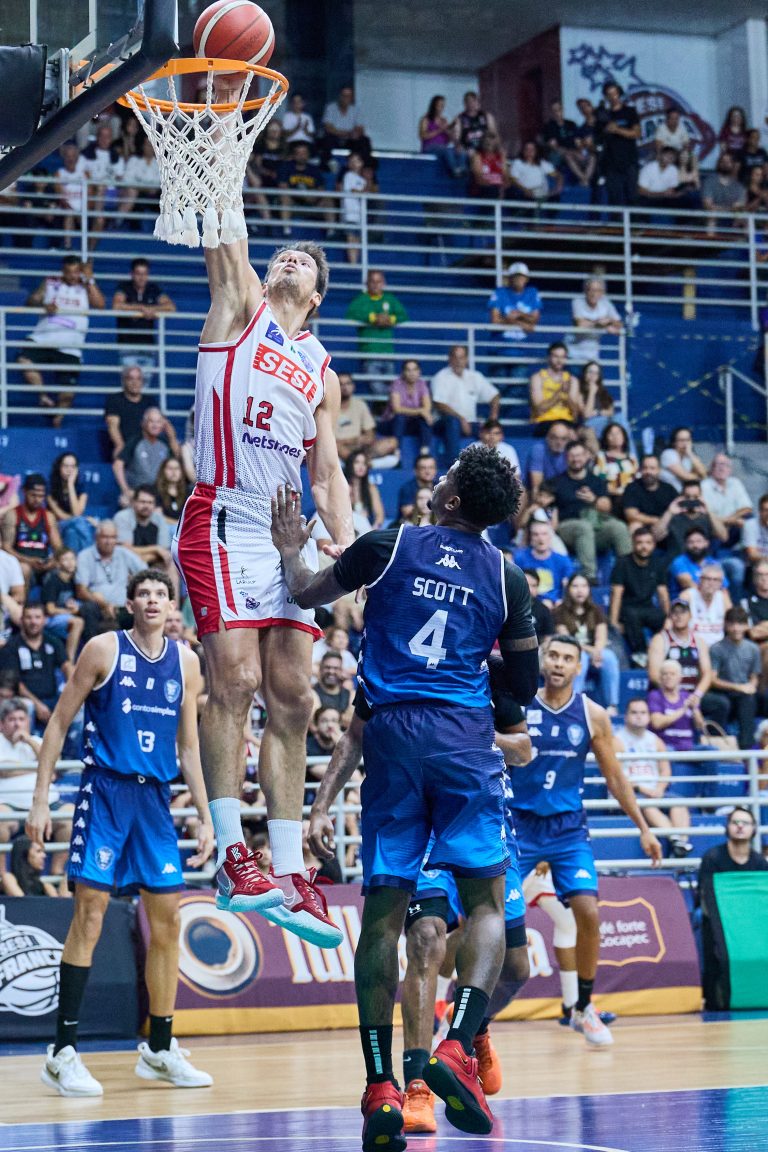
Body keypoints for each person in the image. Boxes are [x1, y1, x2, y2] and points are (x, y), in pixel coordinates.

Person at [269, 444, 539, 1146]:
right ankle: (457, 1045)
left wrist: (291, 549)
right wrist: (478, 669)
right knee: (485, 904)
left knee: (383, 916)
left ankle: (381, 1085)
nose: (437, 478)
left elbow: (306, 591)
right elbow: (525, 685)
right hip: (462, 738)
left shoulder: (387, 546)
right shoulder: (507, 577)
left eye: (445, 475)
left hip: (390, 733)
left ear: (451, 498)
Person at [172, 109, 355, 948]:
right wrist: (219, 136)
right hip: (224, 514)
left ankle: (286, 872)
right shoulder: (239, 305)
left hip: (291, 538)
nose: (289, 259)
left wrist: (342, 554)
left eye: (304, 262)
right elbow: (227, 231)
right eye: (285, 253)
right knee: (235, 680)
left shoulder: (322, 369)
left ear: (315, 297)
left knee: (295, 695)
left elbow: (329, 472)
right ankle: (231, 855)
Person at [305, 664, 533, 1133]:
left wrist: (472, 736)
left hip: (481, 809)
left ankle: (470, 1027)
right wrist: (321, 804)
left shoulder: (487, 674)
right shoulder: (395, 667)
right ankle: (417, 1087)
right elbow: (355, 734)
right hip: (419, 812)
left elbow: (525, 748)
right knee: (426, 940)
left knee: (515, 966)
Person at [26, 569, 214, 1096]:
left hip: (155, 800)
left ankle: (160, 1049)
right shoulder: (103, 649)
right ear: (130, 603)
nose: (153, 600)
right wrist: (41, 799)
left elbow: (189, 748)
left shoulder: (187, 662)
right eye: (144, 594)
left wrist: (206, 816)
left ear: (173, 607)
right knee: (89, 917)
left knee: (168, 922)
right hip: (105, 791)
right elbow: (57, 723)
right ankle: (62, 1053)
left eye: (162, 594)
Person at [510, 636, 661, 1046]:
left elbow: (615, 777)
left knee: (588, 913)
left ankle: (583, 1007)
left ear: (579, 667)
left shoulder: (592, 715)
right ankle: (462, 1010)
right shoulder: (519, 706)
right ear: (543, 661)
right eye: (553, 656)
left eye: (567, 659)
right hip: (519, 826)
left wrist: (644, 828)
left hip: (567, 830)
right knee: (491, 919)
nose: (559, 663)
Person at [17, 256, 104, 421]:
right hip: (43, 339)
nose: (72, 276)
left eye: (76, 272)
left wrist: (90, 279)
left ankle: (57, 422)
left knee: (68, 395)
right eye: (68, 272)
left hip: (71, 346)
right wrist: (43, 305)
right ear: (63, 271)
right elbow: (31, 301)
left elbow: (100, 305)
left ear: (80, 272)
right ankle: (43, 396)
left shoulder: (86, 287)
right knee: (24, 359)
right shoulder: (51, 282)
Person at [698, 805, 768, 1009]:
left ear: (753, 829)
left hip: (751, 921)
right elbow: (705, 896)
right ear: (727, 827)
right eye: (735, 822)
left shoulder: (759, 863)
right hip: (718, 919)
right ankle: (717, 999)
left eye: (745, 823)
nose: (739, 826)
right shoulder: (712, 858)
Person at [614, 698, 693, 857]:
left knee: (679, 803)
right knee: (647, 804)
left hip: (654, 790)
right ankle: (676, 840)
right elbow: (616, 775)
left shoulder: (656, 740)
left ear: (649, 716)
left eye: (643, 713)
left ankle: (681, 843)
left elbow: (665, 770)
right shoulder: (616, 740)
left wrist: (660, 788)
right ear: (626, 716)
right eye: (634, 712)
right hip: (630, 791)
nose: (639, 716)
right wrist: (642, 788)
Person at [551, 440, 631, 583]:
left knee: (619, 527)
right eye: (572, 456)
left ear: (586, 456)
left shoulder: (596, 481)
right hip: (567, 528)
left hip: (595, 527)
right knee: (584, 527)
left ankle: (628, 574)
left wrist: (594, 499)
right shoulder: (557, 482)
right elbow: (548, 508)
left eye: (579, 455)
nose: (576, 459)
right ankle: (589, 576)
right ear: (566, 458)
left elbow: (607, 507)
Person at [553, 574, 621, 714]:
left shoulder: (596, 610)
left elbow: (601, 637)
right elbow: (568, 640)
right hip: (571, 650)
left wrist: (597, 651)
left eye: (584, 586)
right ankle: (574, 701)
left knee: (609, 657)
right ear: (568, 589)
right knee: (581, 658)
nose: (580, 590)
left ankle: (612, 705)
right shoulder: (559, 611)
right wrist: (592, 651)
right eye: (575, 586)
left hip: (593, 652)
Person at [0, 603, 71, 732]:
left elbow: (67, 666)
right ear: (21, 620)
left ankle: (74, 746)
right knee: (28, 707)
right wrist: (37, 704)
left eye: (37, 617)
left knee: (78, 708)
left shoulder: (53, 642)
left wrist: (73, 693)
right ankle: (26, 743)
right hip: (25, 700)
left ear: (45, 620)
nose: (33, 622)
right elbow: (14, 682)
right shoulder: (11, 646)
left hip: (53, 698)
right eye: (29, 617)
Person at [431, 345, 499, 467]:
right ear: (449, 359)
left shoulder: (474, 377)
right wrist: (460, 418)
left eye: (461, 357)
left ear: (466, 359)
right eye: (455, 357)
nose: (458, 361)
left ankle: (492, 463)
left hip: (469, 423)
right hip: (444, 422)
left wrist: (493, 418)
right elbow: (438, 403)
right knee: (453, 422)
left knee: (490, 430)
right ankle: (454, 465)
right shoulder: (440, 377)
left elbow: (494, 396)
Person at [609, 526, 669, 664]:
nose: (644, 547)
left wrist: (668, 618)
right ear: (633, 544)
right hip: (627, 609)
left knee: (662, 618)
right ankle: (640, 655)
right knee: (632, 615)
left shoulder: (658, 563)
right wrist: (614, 622)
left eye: (648, 543)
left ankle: (664, 655)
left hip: (647, 607)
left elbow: (663, 594)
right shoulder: (622, 563)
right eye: (640, 543)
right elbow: (616, 594)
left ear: (653, 545)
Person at [648, 657, 705, 797]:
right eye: (665, 674)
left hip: (688, 746)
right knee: (667, 753)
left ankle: (708, 798)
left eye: (672, 674)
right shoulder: (655, 696)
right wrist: (682, 709)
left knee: (711, 752)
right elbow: (657, 723)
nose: (668, 677)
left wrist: (695, 709)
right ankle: (668, 795)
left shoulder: (687, 696)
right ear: (660, 678)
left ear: (680, 677)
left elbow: (700, 726)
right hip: (666, 745)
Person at [112, 258, 176, 382]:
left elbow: (171, 307)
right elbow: (117, 306)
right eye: (138, 274)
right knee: (130, 382)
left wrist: (152, 309)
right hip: (127, 346)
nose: (141, 278)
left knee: (144, 384)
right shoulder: (124, 287)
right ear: (132, 274)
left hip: (148, 346)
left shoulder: (153, 289)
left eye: (145, 274)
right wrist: (141, 308)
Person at [345, 270, 408, 396]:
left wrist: (390, 319)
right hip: (370, 352)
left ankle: (387, 404)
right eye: (372, 281)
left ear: (383, 283)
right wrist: (372, 318)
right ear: (367, 283)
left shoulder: (390, 299)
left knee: (390, 386)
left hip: (388, 352)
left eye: (378, 281)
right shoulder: (361, 300)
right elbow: (350, 315)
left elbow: (403, 316)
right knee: (376, 389)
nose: (375, 285)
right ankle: (389, 402)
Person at [706, 606, 761, 749]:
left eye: (740, 624)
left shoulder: (753, 649)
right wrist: (739, 687)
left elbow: (754, 676)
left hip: (743, 694)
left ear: (746, 626)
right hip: (722, 692)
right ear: (726, 625)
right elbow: (712, 680)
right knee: (722, 703)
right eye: (732, 624)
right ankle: (716, 745)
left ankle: (746, 747)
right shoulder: (716, 649)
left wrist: (752, 686)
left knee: (750, 699)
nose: (736, 628)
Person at [75, 520, 144, 626]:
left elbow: (146, 573)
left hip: (123, 608)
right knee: (88, 608)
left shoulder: (123, 553)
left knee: (140, 607)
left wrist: (135, 583)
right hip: (98, 607)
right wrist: (105, 605)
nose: (109, 541)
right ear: (96, 538)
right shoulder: (85, 556)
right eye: (105, 537)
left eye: (112, 537)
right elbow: (81, 591)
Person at [647, 599, 713, 704]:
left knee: (721, 704)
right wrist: (674, 693)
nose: (679, 616)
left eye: (683, 612)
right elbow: (654, 675)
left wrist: (697, 695)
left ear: (690, 615)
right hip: (666, 693)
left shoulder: (698, 641)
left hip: (692, 694)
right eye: (675, 613)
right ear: (670, 616)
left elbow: (707, 673)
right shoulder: (660, 639)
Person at [41, 547, 100, 664]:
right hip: (50, 618)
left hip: (67, 616)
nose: (70, 562)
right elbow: (50, 609)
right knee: (78, 622)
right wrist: (71, 612)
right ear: (58, 563)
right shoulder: (53, 581)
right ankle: (70, 662)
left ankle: (93, 654)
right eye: (65, 559)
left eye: (73, 559)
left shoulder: (75, 581)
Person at [1, 472, 61, 587]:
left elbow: (58, 546)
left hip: (43, 563)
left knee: (63, 566)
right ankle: (21, 599)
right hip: (20, 562)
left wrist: (53, 561)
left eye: (41, 496)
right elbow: (6, 547)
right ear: (24, 492)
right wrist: (28, 560)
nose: (37, 499)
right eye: (33, 495)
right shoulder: (13, 515)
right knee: (24, 569)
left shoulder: (48, 516)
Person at [335, 372, 399, 464]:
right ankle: (361, 463)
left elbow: (370, 434)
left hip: (359, 446)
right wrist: (350, 440)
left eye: (348, 383)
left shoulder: (360, 405)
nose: (345, 387)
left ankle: (359, 463)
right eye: (341, 384)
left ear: (353, 386)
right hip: (339, 449)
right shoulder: (328, 407)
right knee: (334, 446)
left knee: (392, 442)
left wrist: (363, 440)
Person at [595, 82, 641, 206]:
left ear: (619, 94)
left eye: (615, 94)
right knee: (615, 198)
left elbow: (636, 133)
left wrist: (617, 130)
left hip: (629, 161)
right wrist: (605, 130)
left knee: (632, 196)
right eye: (609, 94)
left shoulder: (630, 111)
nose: (613, 97)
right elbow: (598, 138)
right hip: (611, 163)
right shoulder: (602, 115)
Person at [658, 485, 728, 562]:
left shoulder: (707, 517)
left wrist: (709, 512)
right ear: (681, 497)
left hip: (702, 562)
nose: (691, 500)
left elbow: (724, 537)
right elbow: (655, 537)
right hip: (676, 562)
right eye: (687, 497)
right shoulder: (671, 516)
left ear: (701, 497)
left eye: (695, 497)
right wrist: (669, 512)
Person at [514, 519, 574, 605]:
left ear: (550, 536)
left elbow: (570, 587)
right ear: (530, 537)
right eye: (536, 534)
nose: (541, 538)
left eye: (544, 534)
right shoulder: (519, 559)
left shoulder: (563, 561)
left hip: (556, 605)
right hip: (529, 604)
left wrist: (556, 602)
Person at [700, 452, 753, 551]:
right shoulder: (704, 486)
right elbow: (704, 516)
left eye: (726, 465)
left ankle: (749, 552)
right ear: (712, 469)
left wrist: (731, 520)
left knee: (750, 519)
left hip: (733, 526)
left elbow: (747, 508)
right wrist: (731, 521)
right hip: (714, 528)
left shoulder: (735, 482)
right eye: (718, 465)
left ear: (730, 470)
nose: (722, 468)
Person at [379, 359, 433, 452]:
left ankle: (424, 451)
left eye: (414, 370)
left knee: (425, 418)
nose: (412, 373)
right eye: (408, 370)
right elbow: (397, 409)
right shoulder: (397, 384)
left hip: (410, 424)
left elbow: (427, 407)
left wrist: (423, 412)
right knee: (400, 417)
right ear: (403, 372)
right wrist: (420, 411)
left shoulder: (422, 384)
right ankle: (396, 452)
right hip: (391, 423)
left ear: (419, 372)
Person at [487, 261, 542, 353]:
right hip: (500, 345)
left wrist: (519, 315)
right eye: (515, 277)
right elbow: (494, 321)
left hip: (522, 346)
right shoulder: (500, 292)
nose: (518, 279)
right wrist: (516, 321)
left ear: (527, 279)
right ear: (510, 278)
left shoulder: (532, 293)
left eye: (521, 276)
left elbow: (534, 320)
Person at [47, 452, 94, 555]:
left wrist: (70, 485)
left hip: (73, 527)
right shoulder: (51, 487)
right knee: (81, 522)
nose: (69, 470)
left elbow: (76, 512)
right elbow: (61, 515)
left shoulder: (81, 487)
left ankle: (75, 561)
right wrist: (83, 519)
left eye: (73, 466)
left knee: (72, 533)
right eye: (66, 466)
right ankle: (90, 555)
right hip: (56, 527)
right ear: (59, 467)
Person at [529, 342, 581, 433]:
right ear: (549, 357)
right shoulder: (538, 378)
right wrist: (559, 393)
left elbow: (575, 413)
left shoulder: (572, 380)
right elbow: (539, 409)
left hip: (567, 421)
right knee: (559, 432)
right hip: (544, 421)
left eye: (563, 357)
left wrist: (567, 396)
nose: (559, 360)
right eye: (556, 356)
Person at [318, 86, 374, 171]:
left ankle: (363, 166)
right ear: (340, 96)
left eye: (348, 96)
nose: (346, 98)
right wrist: (347, 133)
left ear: (352, 98)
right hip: (334, 138)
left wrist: (353, 134)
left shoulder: (356, 110)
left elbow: (360, 128)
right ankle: (325, 166)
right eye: (344, 96)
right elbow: (328, 128)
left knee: (364, 140)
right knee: (326, 139)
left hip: (350, 139)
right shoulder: (331, 108)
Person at [569, 277, 622, 365]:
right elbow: (580, 324)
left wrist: (609, 322)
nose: (594, 294)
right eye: (591, 290)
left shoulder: (606, 304)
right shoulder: (577, 302)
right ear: (586, 291)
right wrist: (599, 323)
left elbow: (619, 324)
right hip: (573, 353)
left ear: (602, 293)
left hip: (593, 356)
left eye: (598, 291)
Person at [621, 454, 677, 535]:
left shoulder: (669, 489)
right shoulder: (632, 488)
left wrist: (663, 523)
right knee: (634, 526)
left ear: (659, 470)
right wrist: (655, 521)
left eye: (652, 468)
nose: (648, 472)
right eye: (645, 468)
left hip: (666, 526)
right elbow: (631, 515)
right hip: (644, 527)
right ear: (640, 470)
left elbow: (678, 509)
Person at [679, 563, 732, 648]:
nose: (711, 583)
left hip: (718, 648)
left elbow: (732, 624)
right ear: (700, 580)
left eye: (716, 580)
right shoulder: (687, 596)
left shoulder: (723, 598)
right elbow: (673, 623)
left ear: (721, 583)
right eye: (708, 579)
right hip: (692, 646)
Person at [667, 527, 729, 598]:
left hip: (710, 600)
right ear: (686, 545)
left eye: (699, 541)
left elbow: (724, 589)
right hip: (685, 602)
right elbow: (689, 586)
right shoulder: (679, 562)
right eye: (691, 542)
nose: (695, 545)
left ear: (706, 543)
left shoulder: (714, 563)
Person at [542, 99, 593, 185]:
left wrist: (581, 150)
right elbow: (554, 147)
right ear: (551, 112)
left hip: (574, 152)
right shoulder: (549, 126)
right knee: (568, 155)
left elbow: (578, 142)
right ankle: (583, 179)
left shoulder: (571, 124)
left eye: (559, 109)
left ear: (562, 110)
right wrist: (572, 152)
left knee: (592, 157)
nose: (557, 113)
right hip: (557, 154)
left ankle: (586, 179)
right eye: (554, 110)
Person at [418, 95, 465, 179]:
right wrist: (439, 130)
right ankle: (455, 170)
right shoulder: (426, 119)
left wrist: (451, 131)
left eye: (443, 106)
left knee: (460, 150)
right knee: (447, 150)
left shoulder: (444, 120)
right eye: (439, 105)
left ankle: (462, 168)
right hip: (429, 147)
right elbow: (422, 136)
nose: (441, 108)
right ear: (434, 105)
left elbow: (448, 140)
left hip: (442, 147)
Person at [525, 420, 572, 498]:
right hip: (544, 492)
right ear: (547, 438)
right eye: (555, 438)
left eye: (563, 439)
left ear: (568, 440)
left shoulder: (571, 451)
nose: (559, 442)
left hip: (563, 492)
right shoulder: (538, 450)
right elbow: (537, 486)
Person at [702, 152, 746, 232]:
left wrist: (720, 208)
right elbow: (708, 205)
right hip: (714, 215)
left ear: (733, 165)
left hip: (732, 216)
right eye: (723, 161)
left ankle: (739, 239)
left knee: (742, 217)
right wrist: (729, 208)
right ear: (719, 164)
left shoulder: (739, 186)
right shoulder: (709, 181)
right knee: (712, 215)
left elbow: (739, 206)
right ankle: (711, 240)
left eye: (728, 162)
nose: (725, 164)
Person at [594, 421, 638, 500]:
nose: (616, 437)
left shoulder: (632, 458)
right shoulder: (601, 457)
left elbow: (637, 478)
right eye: (611, 434)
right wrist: (619, 493)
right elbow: (599, 481)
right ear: (605, 438)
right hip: (611, 498)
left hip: (633, 498)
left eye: (618, 433)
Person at [345, 451, 386, 533]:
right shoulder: (343, 485)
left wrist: (375, 528)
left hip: (365, 529)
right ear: (350, 464)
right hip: (346, 526)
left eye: (364, 464)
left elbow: (380, 515)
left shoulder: (371, 488)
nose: (361, 467)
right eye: (357, 462)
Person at [658, 427, 707, 492]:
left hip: (684, 494)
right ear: (674, 442)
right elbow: (685, 476)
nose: (685, 443)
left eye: (688, 440)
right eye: (681, 440)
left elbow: (703, 473)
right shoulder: (668, 453)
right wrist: (699, 477)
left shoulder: (689, 457)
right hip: (668, 493)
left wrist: (690, 454)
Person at [397, 454, 437, 522]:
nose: (427, 471)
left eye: (431, 467)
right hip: (411, 524)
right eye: (423, 468)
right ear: (416, 471)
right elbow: (407, 512)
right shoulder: (407, 488)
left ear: (435, 470)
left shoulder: (440, 486)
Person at [457, 91, 498, 155]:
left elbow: (494, 134)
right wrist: (459, 146)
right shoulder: (460, 118)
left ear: (477, 102)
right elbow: (457, 138)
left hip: (485, 149)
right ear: (464, 103)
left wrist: (495, 148)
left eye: (473, 101)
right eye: (468, 102)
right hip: (468, 150)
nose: (471, 104)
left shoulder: (486, 116)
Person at [522, 568, 555, 641]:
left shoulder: (543, 610)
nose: (529, 589)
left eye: (534, 586)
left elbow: (548, 637)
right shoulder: (506, 606)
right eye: (526, 584)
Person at [155, 457, 190, 526]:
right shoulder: (156, 490)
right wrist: (177, 524)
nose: (174, 472)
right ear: (163, 471)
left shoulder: (188, 492)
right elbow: (158, 516)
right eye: (170, 468)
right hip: (164, 527)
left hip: (183, 528)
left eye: (177, 468)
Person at [742, 493, 768, 565]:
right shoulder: (750, 525)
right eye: (766, 510)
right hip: (756, 564)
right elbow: (752, 555)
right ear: (760, 511)